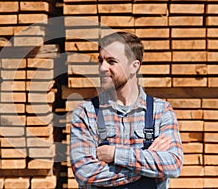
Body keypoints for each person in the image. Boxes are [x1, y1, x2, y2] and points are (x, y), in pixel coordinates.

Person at [70, 31, 183, 189]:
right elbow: (85, 173)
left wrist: (115, 154)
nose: (102, 68)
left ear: (134, 66)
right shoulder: (86, 113)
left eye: (111, 61)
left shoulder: (161, 111)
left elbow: (173, 165)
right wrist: (147, 165)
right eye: (100, 60)